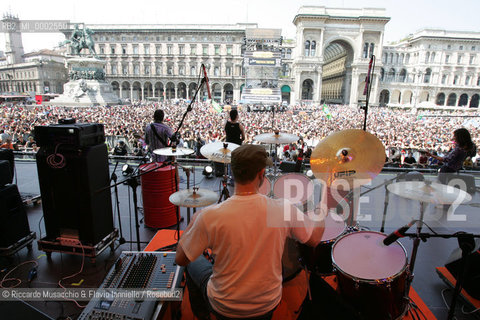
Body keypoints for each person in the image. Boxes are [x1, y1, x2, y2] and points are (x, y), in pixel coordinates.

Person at [175, 144, 324, 320]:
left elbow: (180, 259)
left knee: (194, 262)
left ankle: (202, 315)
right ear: (261, 174)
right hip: (267, 304)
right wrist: (322, 210)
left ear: (233, 172)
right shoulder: (282, 209)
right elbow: (314, 239)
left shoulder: (209, 216)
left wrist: (193, 223)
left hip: (223, 306)